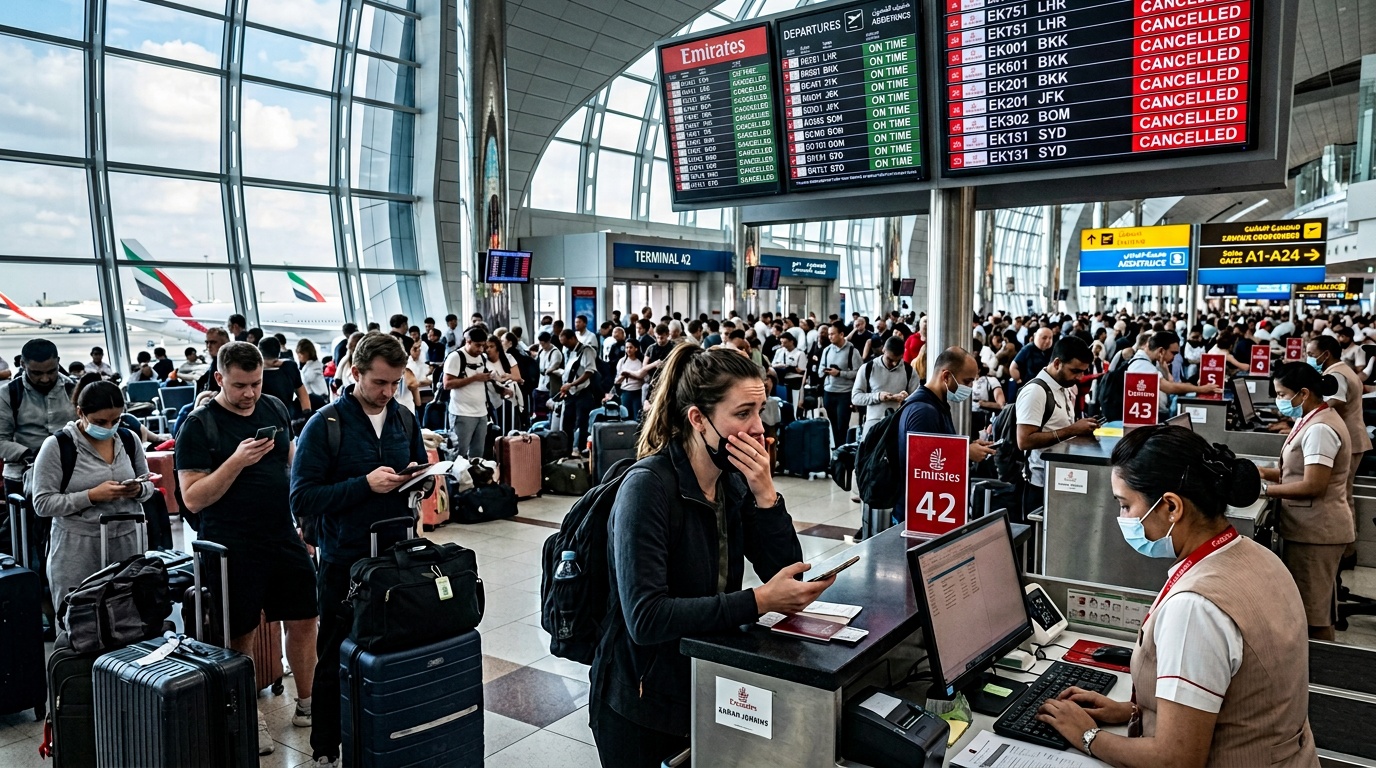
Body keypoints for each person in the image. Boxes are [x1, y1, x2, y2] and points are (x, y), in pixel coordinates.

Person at [589, 344, 833, 767]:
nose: (758, 428)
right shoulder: (647, 489)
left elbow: (784, 570)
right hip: (642, 703)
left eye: (760, 410)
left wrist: (765, 494)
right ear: (698, 419)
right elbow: (646, 618)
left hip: (702, 681)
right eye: (742, 414)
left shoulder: (730, 483)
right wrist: (757, 602)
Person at [1037, 425, 1318, 767]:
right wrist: (1134, 709)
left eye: (1126, 506)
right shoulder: (1257, 558)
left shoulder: (1196, 608)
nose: (1121, 518)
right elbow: (1235, 698)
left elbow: (1177, 759)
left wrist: (1088, 736)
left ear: (1171, 507)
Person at [175, 341, 318, 755]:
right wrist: (237, 460)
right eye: (240, 385)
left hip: (279, 532)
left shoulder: (273, 407)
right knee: (241, 632)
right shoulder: (200, 425)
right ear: (219, 378)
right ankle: (247, 712)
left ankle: (307, 703)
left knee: (305, 616)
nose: (249, 394)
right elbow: (194, 498)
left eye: (255, 383)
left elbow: (289, 459)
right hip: (230, 542)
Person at [290, 332, 425, 768]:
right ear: (355, 373)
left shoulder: (404, 419)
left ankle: (387, 730)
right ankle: (327, 745)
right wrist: (363, 485)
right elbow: (303, 498)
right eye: (379, 383)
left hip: (396, 554)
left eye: (395, 383)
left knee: (394, 648)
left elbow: (418, 467)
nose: (387, 393)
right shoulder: (326, 425)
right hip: (344, 560)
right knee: (335, 653)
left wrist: (421, 481)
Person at [31, 381, 154, 606]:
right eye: (100, 422)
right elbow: (42, 503)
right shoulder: (58, 446)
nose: (108, 427)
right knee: (79, 617)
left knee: (128, 615)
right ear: (80, 412)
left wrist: (138, 489)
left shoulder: (128, 439)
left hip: (127, 541)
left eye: (115, 420)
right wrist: (91, 496)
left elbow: (148, 485)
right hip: (77, 547)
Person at [1258, 362, 1353, 640]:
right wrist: (1265, 472)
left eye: (1281, 394)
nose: (1279, 400)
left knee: (1314, 615)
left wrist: (1264, 489)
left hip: (1317, 532)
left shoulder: (1320, 430)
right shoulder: (1312, 418)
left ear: (1303, 393)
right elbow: (1297, 471)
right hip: (1311, 527)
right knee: (1317, 607)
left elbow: (1314, 484)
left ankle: (1322, 678)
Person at [0, 338, 78, 578]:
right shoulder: (8, 394)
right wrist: (32, 456)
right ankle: (34, 592)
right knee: (27, 547)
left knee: (68, 542)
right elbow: (0, 439)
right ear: (22, 364)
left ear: (58, 363)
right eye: (36, 373)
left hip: (69, 477)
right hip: (21, 479)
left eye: (51, 371)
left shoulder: (73, 390)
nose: (45, 379)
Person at [1015, 336, 1100, 516]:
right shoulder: (1035, 392)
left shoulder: (1063, 387)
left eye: (1083, 371)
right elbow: (1024, 440)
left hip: (1061, 480)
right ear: (1057, 363)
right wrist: (1072, 430)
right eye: (1075, 371)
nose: (1080, 377)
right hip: (1040, 485)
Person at [1308, 334, 1371, 555]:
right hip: (1350, 438)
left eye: (1311, 355)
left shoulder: (1337, 374)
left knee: (1342, 495)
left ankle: (1347, 551)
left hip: (1349, 440)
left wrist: (1308, 413)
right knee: (1344, 493)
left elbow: (1337, 401)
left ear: (1326, 354)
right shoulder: (1341, 369)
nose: (1309, 358)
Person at [894, 348, 996, 479]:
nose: (970, 387)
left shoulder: (936, 405)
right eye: (967, 381)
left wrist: (968, 447)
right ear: (946, 376)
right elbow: (922, 466)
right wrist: (965, 452)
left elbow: (937, 446)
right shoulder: (923, 411)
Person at [1125, 331, 1222, 419]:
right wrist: (1200, 389)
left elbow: (1171, 382)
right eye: (1173, 353)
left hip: (1155, 414)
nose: (1174, 357)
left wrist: (1164, 367)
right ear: (1161, 351)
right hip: (1147, 418)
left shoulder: (1153, 362)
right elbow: (1169, 387)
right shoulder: (1142, 365)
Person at [853, 336, 920, 440]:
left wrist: (907, 399)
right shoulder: (868, 368)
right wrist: (878, 396)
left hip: (899, 423)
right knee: (867, 454)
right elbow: (855, 398)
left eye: (897, 360)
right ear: (883, 349)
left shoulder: (909, 371)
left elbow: (917, 401)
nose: (893, 363)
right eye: (890, 359)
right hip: (873, 421)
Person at [442, 326, 494, 457]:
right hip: (462, 413)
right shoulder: (455, 357)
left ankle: (476, 477)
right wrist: (475, 378)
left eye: (483, 346)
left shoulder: (482, 358)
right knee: (459, 453)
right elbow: (447, 384)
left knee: (477, 454)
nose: (480, 349)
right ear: (468, 341)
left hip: (481, 413)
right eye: (477, 345)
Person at [818, 322, 862, 447]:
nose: (830, 337)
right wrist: (825, 371)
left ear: (841, 334)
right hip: (829, 391)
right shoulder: (827, 350)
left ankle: (842, 449)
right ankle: (837, 449)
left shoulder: (852, 351)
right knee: (833, 423)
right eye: (829, 334)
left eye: (833, 334)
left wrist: (840, 373)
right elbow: (819, 370)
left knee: (842, 424)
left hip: (844, 393)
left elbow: (858, 372)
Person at [557, 328, 600, 455]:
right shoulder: (569, 351)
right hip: (570, 392)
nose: (565, 346)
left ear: (572, 339)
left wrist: (572, 384)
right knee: (567, 423)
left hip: (582, 391)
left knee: (582, 422)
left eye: (566, 343)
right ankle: (567, 449)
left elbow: (589, 372)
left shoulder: (587, 351)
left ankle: (580, 449)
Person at [258, 337, 312, 421]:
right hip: (287, 417)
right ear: (278, 352)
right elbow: (302, 393)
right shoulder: (290, 367)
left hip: (263, 420)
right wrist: (307, 413)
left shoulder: (255, 372)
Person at [614, 338, 646, 420]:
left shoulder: (641, 361)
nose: (628, 350)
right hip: (625, 391)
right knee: (625, 417)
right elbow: (617, 379)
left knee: (637, 417)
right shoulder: (622, 361)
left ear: (636, 348)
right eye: (626, 347)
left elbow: (644, 377)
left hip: (637, 392)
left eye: (631, 347)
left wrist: (631, 374)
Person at [296, 338, 330, 410]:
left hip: (319, 399)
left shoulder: (315, 367)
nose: (299, 357)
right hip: (313, 399)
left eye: (301, 354)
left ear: (308, 353)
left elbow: (306, 380)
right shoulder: (307, 366)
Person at [201, 327, 231, 394]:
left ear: (224, 344)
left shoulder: (229, 363)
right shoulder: (215, 361)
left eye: (213, 342)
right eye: (207, 342)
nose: (208, 346)